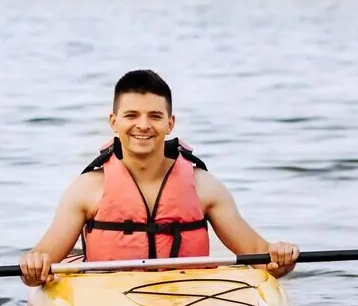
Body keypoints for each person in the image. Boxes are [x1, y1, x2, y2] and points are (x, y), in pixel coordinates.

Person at [19, 69, 298, 286]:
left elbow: (261, 256)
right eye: (131, 115)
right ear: (114, 122)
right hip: (109, 302)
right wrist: (34, 266)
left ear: (170, 123)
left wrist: (281, 256)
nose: (143, 125)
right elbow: (44, 259)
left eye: (154, 116)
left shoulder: (204, 186)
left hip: (189, 296)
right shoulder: (87, 189)